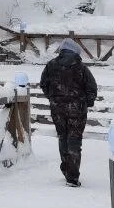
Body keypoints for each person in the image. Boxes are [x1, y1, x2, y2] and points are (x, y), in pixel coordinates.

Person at [39, 38, 98, 187]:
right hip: (77, 110)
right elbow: (91, 87)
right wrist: (87, 101)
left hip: (57, 109)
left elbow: (43, 83)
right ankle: (72, 176)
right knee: (75, 140)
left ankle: (66, 169)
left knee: (62, 138)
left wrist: (52, 97)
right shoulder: (81, 68)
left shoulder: (51, 65)